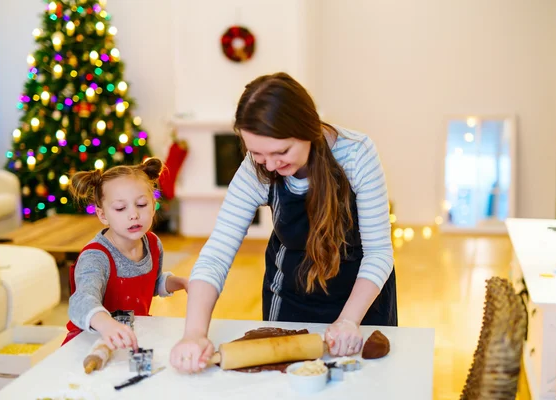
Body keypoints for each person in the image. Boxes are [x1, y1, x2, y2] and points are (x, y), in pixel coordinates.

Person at [170, 72, 397, 373]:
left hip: (361, 303)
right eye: (258, 153)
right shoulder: (255, 168)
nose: (271, 165)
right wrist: (194, 334)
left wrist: (348, 320)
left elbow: (379, 252)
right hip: (291, 300)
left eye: (281, 152)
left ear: (308, 128)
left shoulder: (356, 154)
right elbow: (216, 253)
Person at [62, 157, 189, 350]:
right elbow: (81, 301)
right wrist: (107, 324)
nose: (133, 214)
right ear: (102, 215)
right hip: (91, 343)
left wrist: (182, 283)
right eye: (121, 208)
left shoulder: (153, 243)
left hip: (130, 336)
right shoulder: (95, 256)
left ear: (154, 204)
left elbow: (152, 283)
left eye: (141, 204)